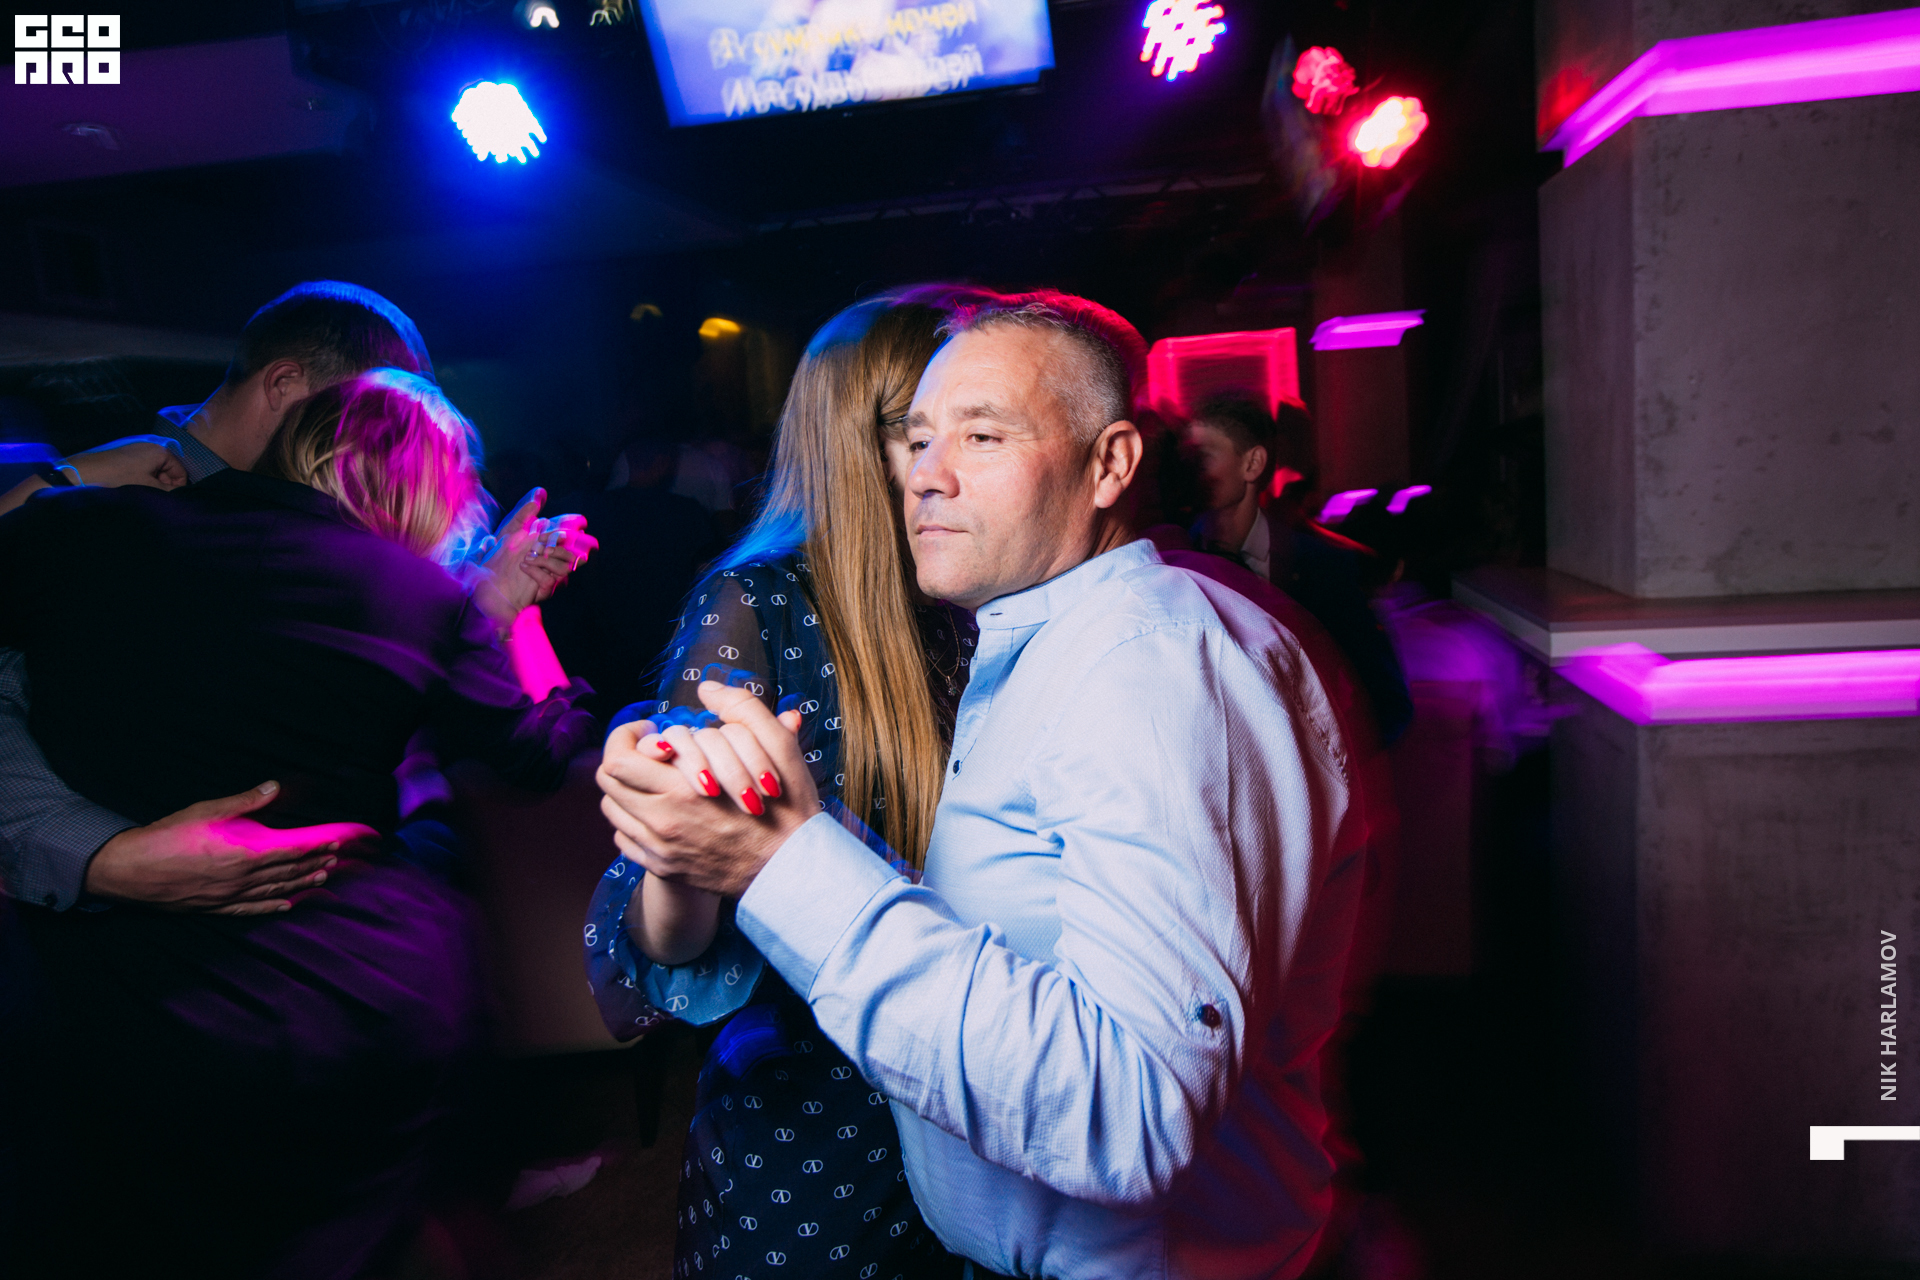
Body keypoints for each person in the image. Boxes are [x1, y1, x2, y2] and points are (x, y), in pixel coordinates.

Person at [597, 295, 1366, 1279]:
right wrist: (688, 829)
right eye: (917, 437)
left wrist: (783, 861)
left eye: (982, 434)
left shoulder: (1149, 661)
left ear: (1110, 464)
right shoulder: (1040, 634)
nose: (926, 472)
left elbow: (1131, 1113)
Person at [0, 369, 596, 1279]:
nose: (468, 511)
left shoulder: (87, 527)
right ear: (414, 480)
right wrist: (515, 612)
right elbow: (536, 756)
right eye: (460, 485)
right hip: (346, 990)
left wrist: (67, 479)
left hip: (115, 998)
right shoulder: (417, 595)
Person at [583, 296, 975, 1280]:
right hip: (818, 1115)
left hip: (987, 1078)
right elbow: (659, 947)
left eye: (983, 430)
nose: (956, 462)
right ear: (858, 439)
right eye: (927, 430)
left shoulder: (986, 593)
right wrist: (681, 851)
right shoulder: (760, 602)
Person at [0, 281, 588, 915]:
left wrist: (488, 609)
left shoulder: (365, 550)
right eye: (370, 405)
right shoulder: (92, 508)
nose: (388, 429)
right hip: (103, 935)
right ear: (285, 388)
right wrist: (100, 855)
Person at [1182, 396, 1413, 744]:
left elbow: (1387, 699)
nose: (1193, 471)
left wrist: (1329, 758)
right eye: (1189, 457)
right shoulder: (1176, 561)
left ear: (1253, 464)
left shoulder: (1321, 568)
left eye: (1206, 455)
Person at [542, 432, 717, 720]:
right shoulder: (686, 512)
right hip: (666, 642)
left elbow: (582, 579)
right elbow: (706, 581)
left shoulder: (593, 510)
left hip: (606, 644)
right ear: (664, 462)